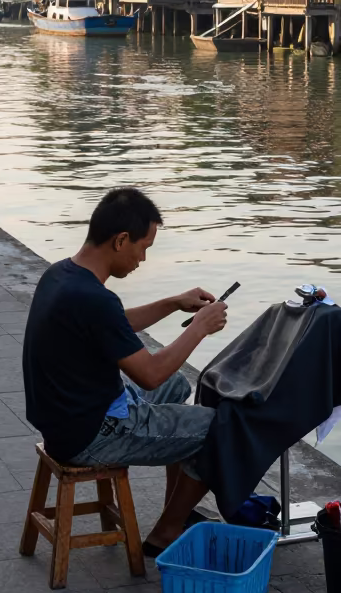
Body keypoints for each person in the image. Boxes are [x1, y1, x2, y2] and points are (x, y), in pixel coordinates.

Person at [22, 186, 227, 554]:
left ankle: (175, 510)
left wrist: (172, 303)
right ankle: (167, 530)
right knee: (220, 429)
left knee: (179, 386)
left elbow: (112, 324)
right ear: (121, 241)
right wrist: (201, 327)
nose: (142, 259)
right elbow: (149, 375)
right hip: (92, 433)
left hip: (65, 419)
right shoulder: (95, 299)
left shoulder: (61, 275)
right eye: (143, 247)